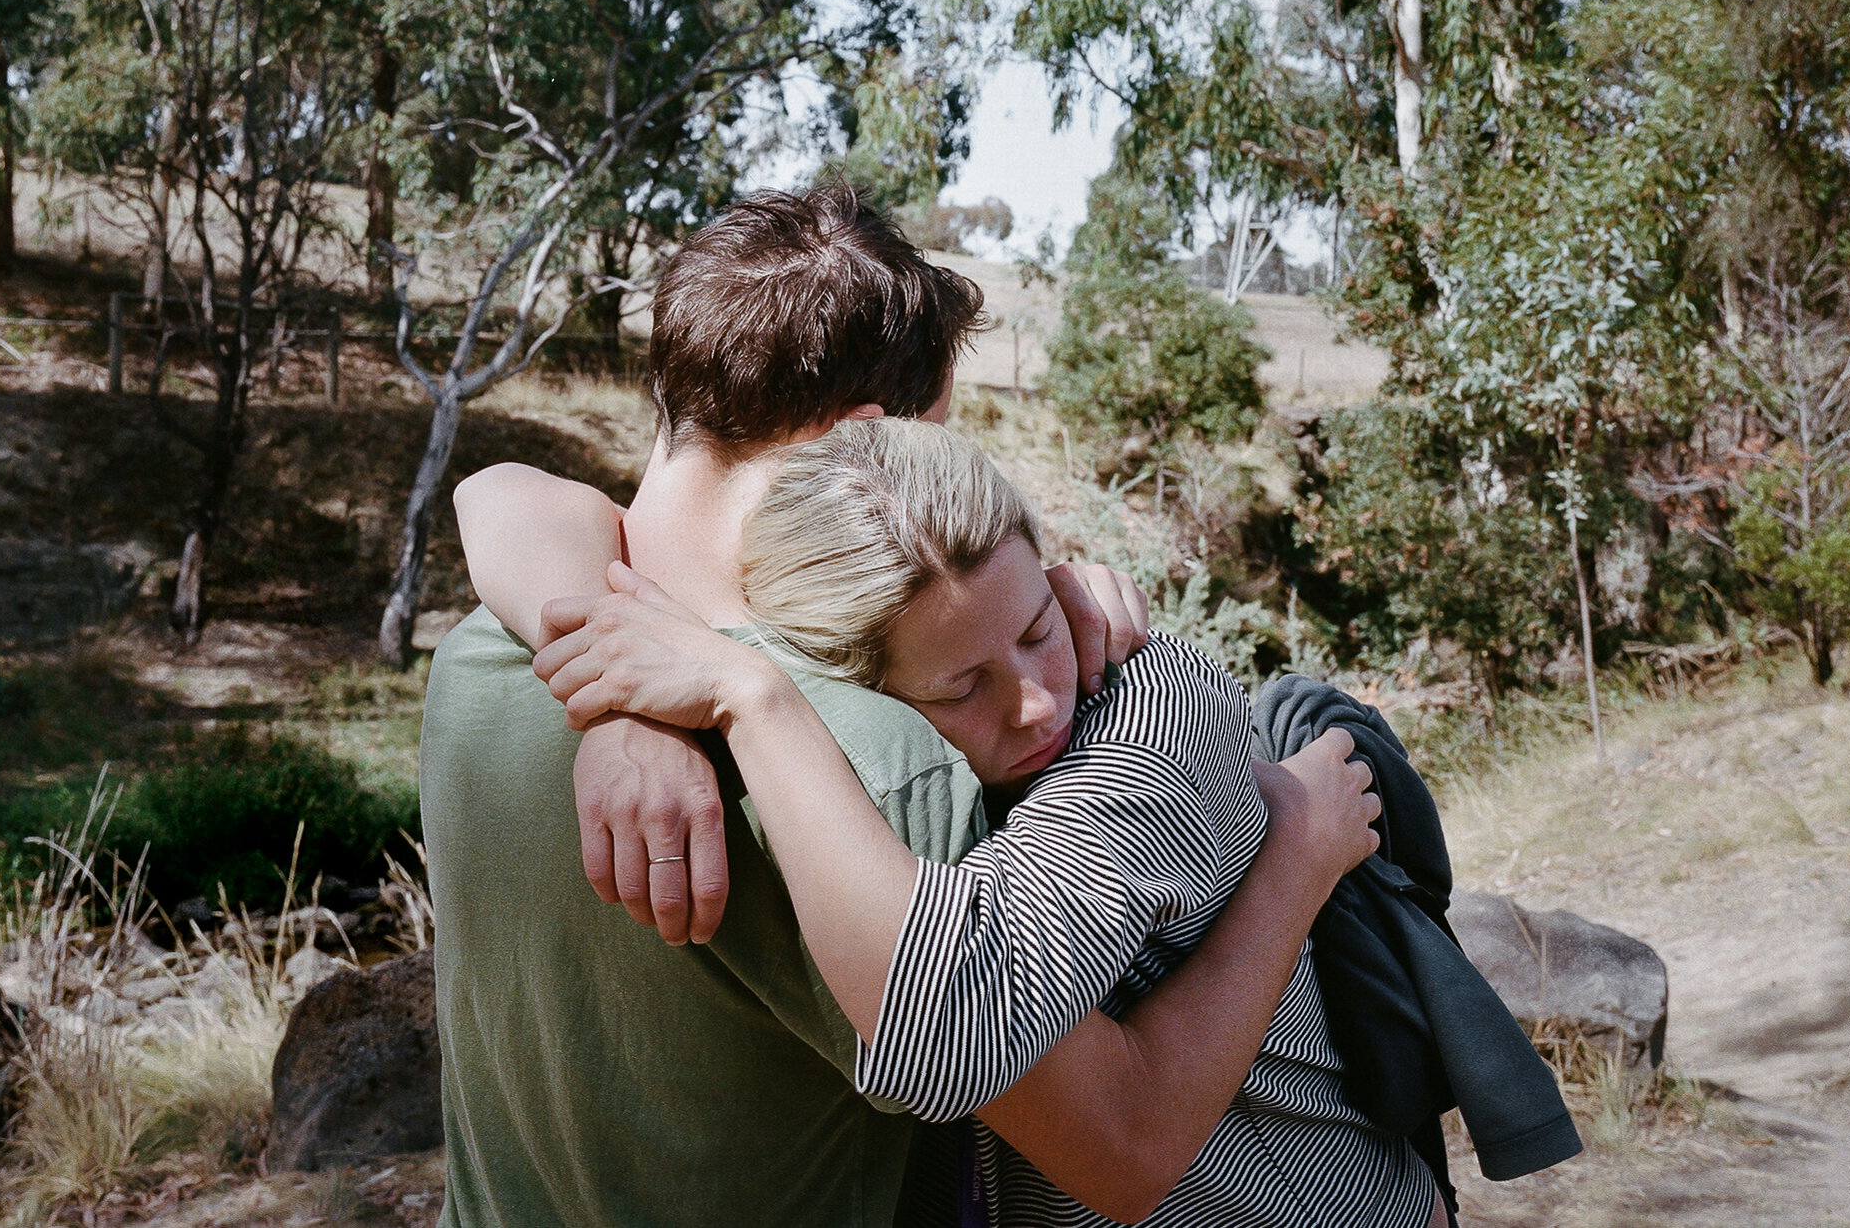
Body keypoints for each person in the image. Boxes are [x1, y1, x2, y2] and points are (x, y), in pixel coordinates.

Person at [425, 181, 1385, 1228]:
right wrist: (1295, 851)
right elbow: (1119, 1137)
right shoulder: (872, 756)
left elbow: (498, 488)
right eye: (937, 443)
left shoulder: (485, 651)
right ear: (861, 448)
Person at [524, 415, 1446, 1228]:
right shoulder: (887, 753)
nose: (1038, 701)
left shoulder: (1149, 715)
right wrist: (626, 717)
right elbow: (499, 496)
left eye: (1040, 627)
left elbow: (947, 1032)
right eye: (963, 685)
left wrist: (750, 697)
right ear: (860, 692)